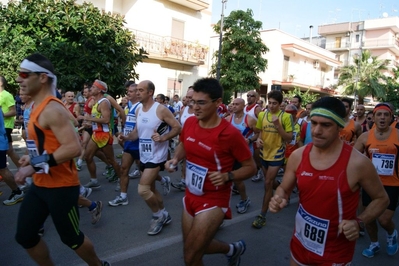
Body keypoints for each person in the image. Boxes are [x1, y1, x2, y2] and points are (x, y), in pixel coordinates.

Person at [14, 53, 109, 265]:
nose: (19, 79)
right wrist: (31, 159)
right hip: (41, 184)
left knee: (71, 238)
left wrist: (34, 165)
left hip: (61, 188)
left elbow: (73, 147)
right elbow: (49, 142)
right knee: (25, 236)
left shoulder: (51, 108)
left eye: (23, 74)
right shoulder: (38, 107)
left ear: (42, 78)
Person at [269, 97, 389, 266]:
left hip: (335, 252)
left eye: (326, 125)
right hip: (300, 243)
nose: (317, 131)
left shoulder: (357, 163)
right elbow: (284, 188)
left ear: (340, 126)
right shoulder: (298, 155)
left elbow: (382, 199)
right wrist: (279, 197)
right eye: (314, 123)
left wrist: (359, 222)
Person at [165, 77, 256, 265]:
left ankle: (232, 250)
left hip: (214, 199)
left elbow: (251, 168)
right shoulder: (190, 123)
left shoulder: (229, 134)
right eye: (192, 102)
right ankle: (233, 249)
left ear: (218, 103)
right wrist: (175, 159)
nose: (195, 108)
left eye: (201, 103)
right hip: (191, 194)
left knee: (191, 256)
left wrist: (228, 176)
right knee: (193, 247)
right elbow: (184, 143)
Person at [119, 80, 181, 235]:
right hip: (144, 154)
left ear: (150, 92)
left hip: (157, 156)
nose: (137, 92)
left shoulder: (160, 109)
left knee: (143, 189)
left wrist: (163, 137)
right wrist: (126, 138)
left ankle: (158, 216)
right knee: (152, 189)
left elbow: (177, 127)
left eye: (141, 90)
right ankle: (164, 214)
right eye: (136, 90)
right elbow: (137, 133)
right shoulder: (139, 109)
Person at [354, 103, 399, 258]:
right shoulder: (365, 137)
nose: (382, 118)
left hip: (392, 183)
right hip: (371, 183)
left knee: (384, 219)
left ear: (391, 117)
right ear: (373, 117)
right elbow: (353, 157)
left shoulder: (398, 135)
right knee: (369, 217)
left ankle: (392, 233)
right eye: (379, 114)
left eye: (386, 115)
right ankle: (374, 243)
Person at [252, 90, 294, 229]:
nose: (271, 106)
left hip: (277, 154)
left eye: (274, 103)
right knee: (269, 181)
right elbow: (260, 131)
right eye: (269, 102)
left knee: (268, 183)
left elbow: (289, 138)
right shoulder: (263, 114)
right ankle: (284, 190)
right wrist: (258, 140)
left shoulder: (286, 117)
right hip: (264, 153)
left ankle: (262, 215)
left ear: (280, 104)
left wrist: (278, 126)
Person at [79, 80, 121, 189]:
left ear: (99, 90)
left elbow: (106, 120)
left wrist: (88, 118)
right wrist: (88, 123)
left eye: (93, 87)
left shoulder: (104, 102)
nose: (90, 89)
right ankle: (94, 181)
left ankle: (122, 180)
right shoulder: (95, 102)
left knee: (111, 160)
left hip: (104, 135)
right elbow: (96, 119)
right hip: (96, 134)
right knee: (88, 157)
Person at [108, 83, 141, 206]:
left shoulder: (139, 107)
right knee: (124, 169)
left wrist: (127, 136)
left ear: (137, 93)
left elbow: (139, 128)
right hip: (129, 143)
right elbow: (130, 124)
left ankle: (163, 180)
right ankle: (123, 197)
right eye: (128, 91)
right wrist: (124, 133)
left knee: (145, 171)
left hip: (137, 143)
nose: (128, 93)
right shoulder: (131, 105)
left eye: (131, 91)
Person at [227, 98, 258, 214]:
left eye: (236, 104)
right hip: (230, 154)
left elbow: (258, 133)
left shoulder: (249, 119)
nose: (234, 106)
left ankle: (244, 199)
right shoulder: (228, 119)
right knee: (227, 177)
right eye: (233, 104)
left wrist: (249, 140)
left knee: (237, 179)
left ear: (243, 106)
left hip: (243, 154)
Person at [171, 87, 195, 191]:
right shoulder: (184, 110)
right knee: (184, 161)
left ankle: (193, 182)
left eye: (191, 97)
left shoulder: (200, 110)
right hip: (184, 140)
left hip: (196, 141)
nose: (188, 99)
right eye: (187, 97)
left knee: (193, 162)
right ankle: (183, 180)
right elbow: (181, 126)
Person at [0, 75, 20, 168]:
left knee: (8, 151)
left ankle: (23, 170)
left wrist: (1, 115)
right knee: (9, 151)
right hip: (2, 126)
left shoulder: (7, 95)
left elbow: (13, 111)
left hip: (6, 126)